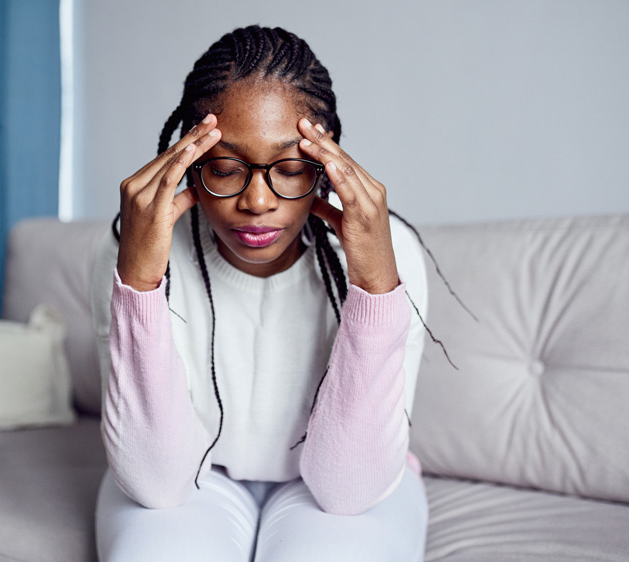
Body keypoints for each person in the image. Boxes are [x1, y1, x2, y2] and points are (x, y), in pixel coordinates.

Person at [90, 25, 431, 561]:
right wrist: (138, 284)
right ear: (190, 161)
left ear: (326, 167)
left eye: (291, 169)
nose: (257, 200)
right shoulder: (133, 249)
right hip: (191, 481)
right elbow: (155, 483)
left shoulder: (393, 254)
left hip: (342, 489)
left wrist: (374, 289)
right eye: (225, 168)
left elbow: (348, 491)